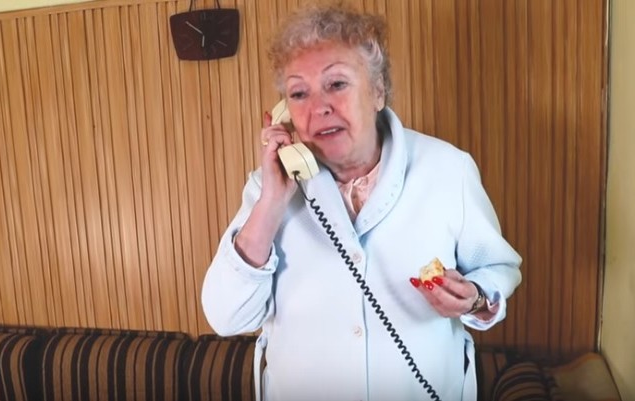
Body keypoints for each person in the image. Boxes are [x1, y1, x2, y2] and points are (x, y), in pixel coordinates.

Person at [202, 4, 522, 401]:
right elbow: (226, 317)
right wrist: (271, 203)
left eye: (336, 84)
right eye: (299, 93)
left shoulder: (448, 169)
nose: (318, 107)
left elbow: (498, 268)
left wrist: (475, 295)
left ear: (378, 91)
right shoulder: (268, 187)